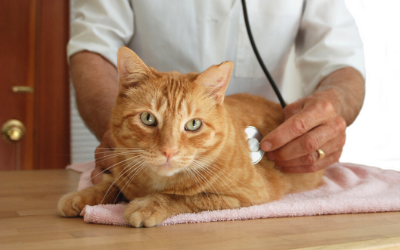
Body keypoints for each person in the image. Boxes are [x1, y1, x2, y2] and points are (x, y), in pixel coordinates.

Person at [68, 0, 365, 184]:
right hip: (143, 156)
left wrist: (333, 105)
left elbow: (341, 59)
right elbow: (93, 48)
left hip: (265, 153)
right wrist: (122, 132)